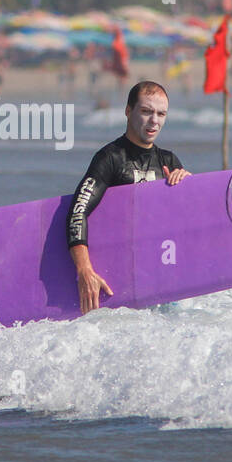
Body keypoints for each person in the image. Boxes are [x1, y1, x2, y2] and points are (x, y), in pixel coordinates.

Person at [66, 80, 190, 314]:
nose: (154, 120)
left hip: (162, 282)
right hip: (119, 282)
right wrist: (84, 271)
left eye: (161, 114)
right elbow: (78, 211)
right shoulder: (110, 158)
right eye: (146, 111)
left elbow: (187, 226)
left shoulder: (169, 161)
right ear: (128, 111)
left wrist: (187, 188)